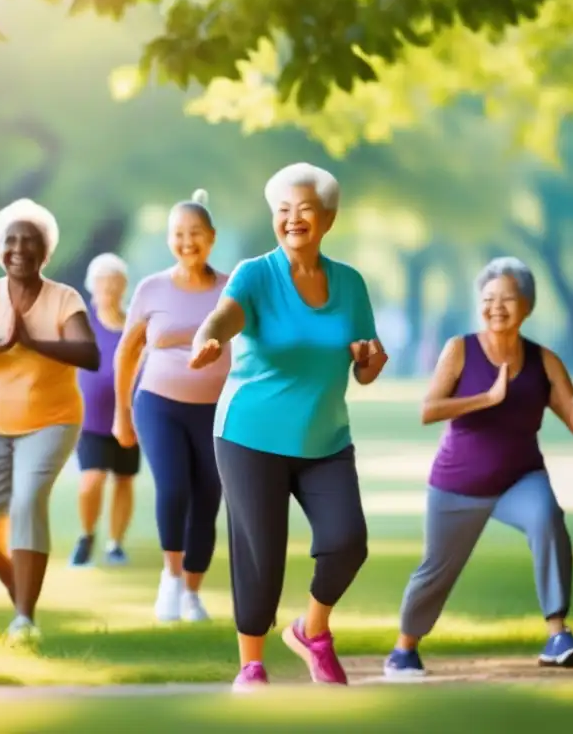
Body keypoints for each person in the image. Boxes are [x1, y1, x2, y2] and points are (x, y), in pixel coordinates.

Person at [190, 163, 386, 689]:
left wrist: (371, 360)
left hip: (324, 439)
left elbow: (363, 365)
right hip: (250, 436)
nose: (292, 219)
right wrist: (208, 338)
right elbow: (225, 316)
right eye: (283, 211)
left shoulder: (350, 283)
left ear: (327, 218)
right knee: (261, 555)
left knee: (348, 541)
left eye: (304, 210)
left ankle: (311, 630)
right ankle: (251, 665)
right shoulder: (255, 274)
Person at [384, 257, 573, 677]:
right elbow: (428, 410)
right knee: (436, 571)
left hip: (520, 479)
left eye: (508, 299)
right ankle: (403, 649)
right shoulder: (460, 349)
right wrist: (486, 397)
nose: (497, 306)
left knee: (548, 519)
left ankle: (557, 633)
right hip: (459, 484)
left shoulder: (543, 360)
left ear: (527, 306)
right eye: (488, 298)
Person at [0, 198, 99, 644]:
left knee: (27, 503)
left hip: (52, 420)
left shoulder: (63, 298)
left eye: (30, 241)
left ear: (45, 252)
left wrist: (31, 341)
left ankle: (24, 618)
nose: (19, 248)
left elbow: (89, 353)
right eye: (11, 240)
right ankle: (19, 586)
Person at [113, 189, 229, 623]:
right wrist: (120, 413)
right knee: (175, 488)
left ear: (211, 238)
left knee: (208, 497)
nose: (187, 242)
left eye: (195, 233)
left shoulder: (231, 287)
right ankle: (171, 579)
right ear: (169, 240)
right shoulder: (151, 289)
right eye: (179, 234)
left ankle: (193, 593)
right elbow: (127, 354)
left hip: (215, 409)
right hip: (158, 404)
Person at [70, 253, 140, 568]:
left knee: (124, 480)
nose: (109, 288)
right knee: (92, 480)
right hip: (90, 421)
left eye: (114, 281)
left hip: (128, 417)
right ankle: (86, 535)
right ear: (92, 286)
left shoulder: (134, 325)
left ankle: (115, 544)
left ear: (124, 285)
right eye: (102, 281)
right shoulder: (82, 324)